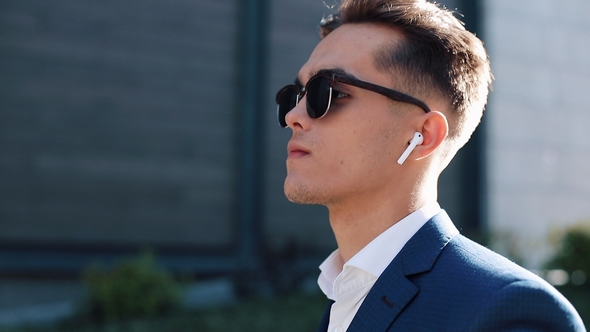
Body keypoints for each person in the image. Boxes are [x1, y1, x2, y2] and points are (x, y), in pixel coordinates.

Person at [274, 0, 586, 331]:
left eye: (328, 92)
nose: (294, 117)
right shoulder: (346, 292)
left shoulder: (508, 310)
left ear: (424, 135)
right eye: (296, 95)